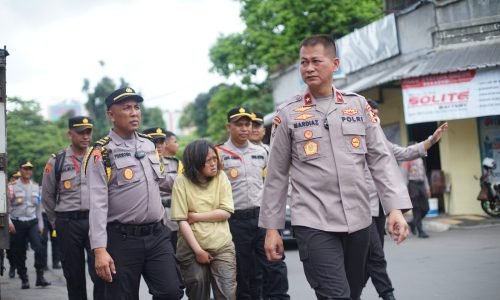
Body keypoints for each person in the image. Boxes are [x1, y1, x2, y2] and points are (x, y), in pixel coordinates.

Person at [259, 34, 412, 300]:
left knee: (352, 292)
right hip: (313, 221)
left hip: (359, 220)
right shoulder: (287, 114)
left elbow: (380, 159)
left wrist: (394, 209)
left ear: (335, 63)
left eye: (316, 61)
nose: (308, 68)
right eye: (304, 62)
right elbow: (276, 175)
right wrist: (272, 229)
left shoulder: (358, 106)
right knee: (336, 295)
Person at [85, 87, 183, 300]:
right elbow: (98, 205)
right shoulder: (102, 152)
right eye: (126, 108)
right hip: (122, 239)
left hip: (157, 235)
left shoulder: (149, 145)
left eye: (136, 107)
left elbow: (163, 180)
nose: (134, 112)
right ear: (111, 115)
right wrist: (99, 250)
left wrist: (194, 175)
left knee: (171, 292)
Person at [364, 99, 449, 300]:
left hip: (378, 207)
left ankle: (351, 293)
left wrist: (432, 140)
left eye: (376, 113)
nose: (375, 117)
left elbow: (404, 152)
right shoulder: (351, 141)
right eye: (371, 113)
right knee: (375, 255)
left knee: (369, 257)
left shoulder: (380, 141)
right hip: (359, 208)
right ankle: (388, 295)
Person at [217, 107, 290, 300]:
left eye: (247, 124)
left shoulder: (263, 152)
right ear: (228, 127)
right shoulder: (218, 154)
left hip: (262, 218)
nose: (244, 128)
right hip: (235, 221)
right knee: (244, 271)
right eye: (238, 124)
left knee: (274, 264)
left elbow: (274, 184)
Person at [42, 116, 106, 300]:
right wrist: (57, 223)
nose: (85, 136)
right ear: (69, 134)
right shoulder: (57, 160)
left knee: (101, 273)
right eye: (80, 132)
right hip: (67, 223)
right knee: (74, 275)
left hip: (95, 221)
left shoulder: (98, 157)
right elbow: (48, 195)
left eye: (88, 132)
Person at [171, 140, 237, 300]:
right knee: (198, 293)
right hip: (191, 248)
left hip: (222, 246)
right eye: (208, 160)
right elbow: (181, 220)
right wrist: (198, 251)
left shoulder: (221, 177)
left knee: (228, 294)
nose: (214, 163)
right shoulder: (181, 181)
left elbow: (226, 211)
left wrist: (195, 216)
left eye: (215, 158)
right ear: (195, 161)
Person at [8, 161, 51, 289]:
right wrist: (9, 222)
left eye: (30, 169)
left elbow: (38, 208)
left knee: (39, 248)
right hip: (17, 222)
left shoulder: (35, 187)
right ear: (20, 170)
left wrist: (41, 225)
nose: (28, 171)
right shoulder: (12, 187)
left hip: (32, 222)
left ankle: (40, 276)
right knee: (19, 252)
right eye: (25, 169)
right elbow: (7, 207)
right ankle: (24, 278)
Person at [143, 127, 182, 251]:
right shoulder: (140, 166)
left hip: (173, 217)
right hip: (152, 219)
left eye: (161, 142)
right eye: (154, 142)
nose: (158, 146)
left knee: (178, 254)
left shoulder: (175, 164)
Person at [402, 148, 431, 239]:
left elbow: (424, 175)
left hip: (421, 184)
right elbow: (405, 176)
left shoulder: (419, 159)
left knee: (426, 208)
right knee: (417, 208)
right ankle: (420, 231)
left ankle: (413, 222)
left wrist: (427, 188)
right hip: (412, 185)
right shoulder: (407, 160)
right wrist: (405, 190)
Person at [6, 171, 21, 278]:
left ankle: (21, 268)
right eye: (15, 178)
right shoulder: (8, 189)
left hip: (22, 221)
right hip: (10, 221)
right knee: (10, 248)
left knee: (21, 247)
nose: (17, 181)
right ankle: (12, 266)